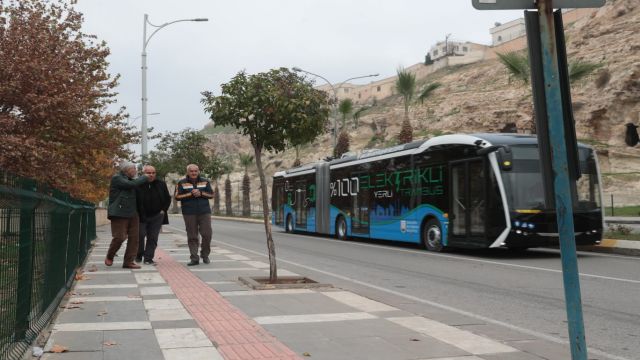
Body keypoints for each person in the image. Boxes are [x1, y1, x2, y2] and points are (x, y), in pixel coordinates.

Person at [106, 162, 148, 269]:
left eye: (135, 169)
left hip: (133, 213)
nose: (135, 171)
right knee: (120, 237)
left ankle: (128, 261)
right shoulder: (117, 178)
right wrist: (144, 177)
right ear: (125, 170)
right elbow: (130, 185)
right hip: (119, 212)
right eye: (133, 169)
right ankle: (110, 255)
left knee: (134, 238)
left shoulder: (133, 180)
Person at [175, 164, 214, 266]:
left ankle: (205, 255)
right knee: (192, 236)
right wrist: (190, 194)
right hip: (189, 212)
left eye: (195, 171)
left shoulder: (205, 181)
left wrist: (201, 193)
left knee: (207, 234)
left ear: (198, 171)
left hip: (204, 211)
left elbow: (211, 194)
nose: (193, 173)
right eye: (191, 171)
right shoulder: (181, 182)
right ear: (187, 172)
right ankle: (194, 258)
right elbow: (177, 196)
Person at [137, 165, 171, 265]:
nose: (151, 175)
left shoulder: (161, 184)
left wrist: (163, 210)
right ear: (143, 173)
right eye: (148, 173)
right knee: (140, 235)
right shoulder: (138, 184)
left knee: (152, 237)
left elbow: (167, 198)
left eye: (153, 173)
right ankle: (138, 254)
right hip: (141, 216)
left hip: (157, 216)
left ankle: (148, 258)